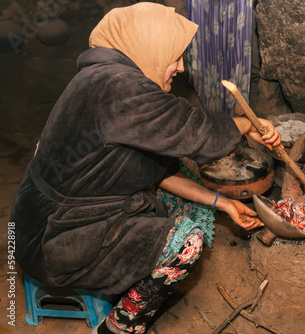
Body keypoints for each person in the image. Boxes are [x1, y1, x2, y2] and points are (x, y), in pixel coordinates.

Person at [9, 3, 281, 334]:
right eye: (175, 56)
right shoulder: (117, 87)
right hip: (55, 237)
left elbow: (161, 172)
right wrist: (245, 125)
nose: (180, 68)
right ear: (147, 46)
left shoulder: (107, 79)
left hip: (53, 218)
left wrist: (223, 203)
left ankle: (131, 277)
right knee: (187, 242)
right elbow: (194, 129)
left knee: (183, 186)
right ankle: (116, 328)